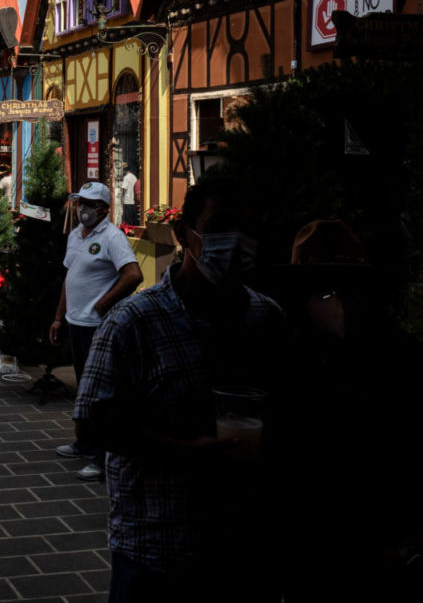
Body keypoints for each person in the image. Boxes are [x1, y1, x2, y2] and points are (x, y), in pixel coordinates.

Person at [75, 174, 287, 602]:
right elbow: (91, 424)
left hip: (246, 548)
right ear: (183, 235)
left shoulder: (267, 318)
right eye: (222, 226)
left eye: (248, 229)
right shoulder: (133, 323)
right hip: (157, 550)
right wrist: (180, 450)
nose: (237, 241)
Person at [278, 220, 423, 602]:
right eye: (321, 291)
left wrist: (410, 547)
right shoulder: (289, 365)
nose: (337, 302)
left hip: (390, 570)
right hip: (314, 568)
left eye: (346, 288)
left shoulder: (410, 363)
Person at [48, 182, 143, 480]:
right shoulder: (76, 235)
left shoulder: (113, 238)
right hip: (76, 323)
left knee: (101, 393)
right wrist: (58, 317)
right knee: (84, 387)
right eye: (80, 203)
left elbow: (133, 274)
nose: (82, 209)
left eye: (89, 204)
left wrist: (104, 303)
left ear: (104, 209)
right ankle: (86, 442)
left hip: (98, 327)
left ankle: (103, 457)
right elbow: (69, 276)